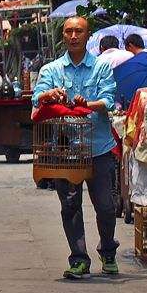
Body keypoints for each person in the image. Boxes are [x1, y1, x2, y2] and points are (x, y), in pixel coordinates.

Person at [32, 16, 121, 279]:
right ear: (63, 35)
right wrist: (49, 95)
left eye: (78, 31)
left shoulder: (101, 67)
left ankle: (108, 251)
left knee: (105, 206)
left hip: (98, 147)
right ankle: (79, 259)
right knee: (70, 205)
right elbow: (37, 98)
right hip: (65, 149)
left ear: (87, 35)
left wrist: (86, 104)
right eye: (69, 31)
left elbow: (108, 100)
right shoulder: (51, 69)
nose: (73, 36)